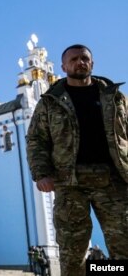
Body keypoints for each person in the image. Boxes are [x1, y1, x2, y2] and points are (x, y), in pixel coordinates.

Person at [26, 44, 128, 276]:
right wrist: (41, 173)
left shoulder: (115, 97)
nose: (79, 62)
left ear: (92, 63)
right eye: (73, 59)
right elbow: (36, 140)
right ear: (63, 67)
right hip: (70, 183)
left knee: (124, 248)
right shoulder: (50, 102)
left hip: (113, 182)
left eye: (84, 58)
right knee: (73, 253)